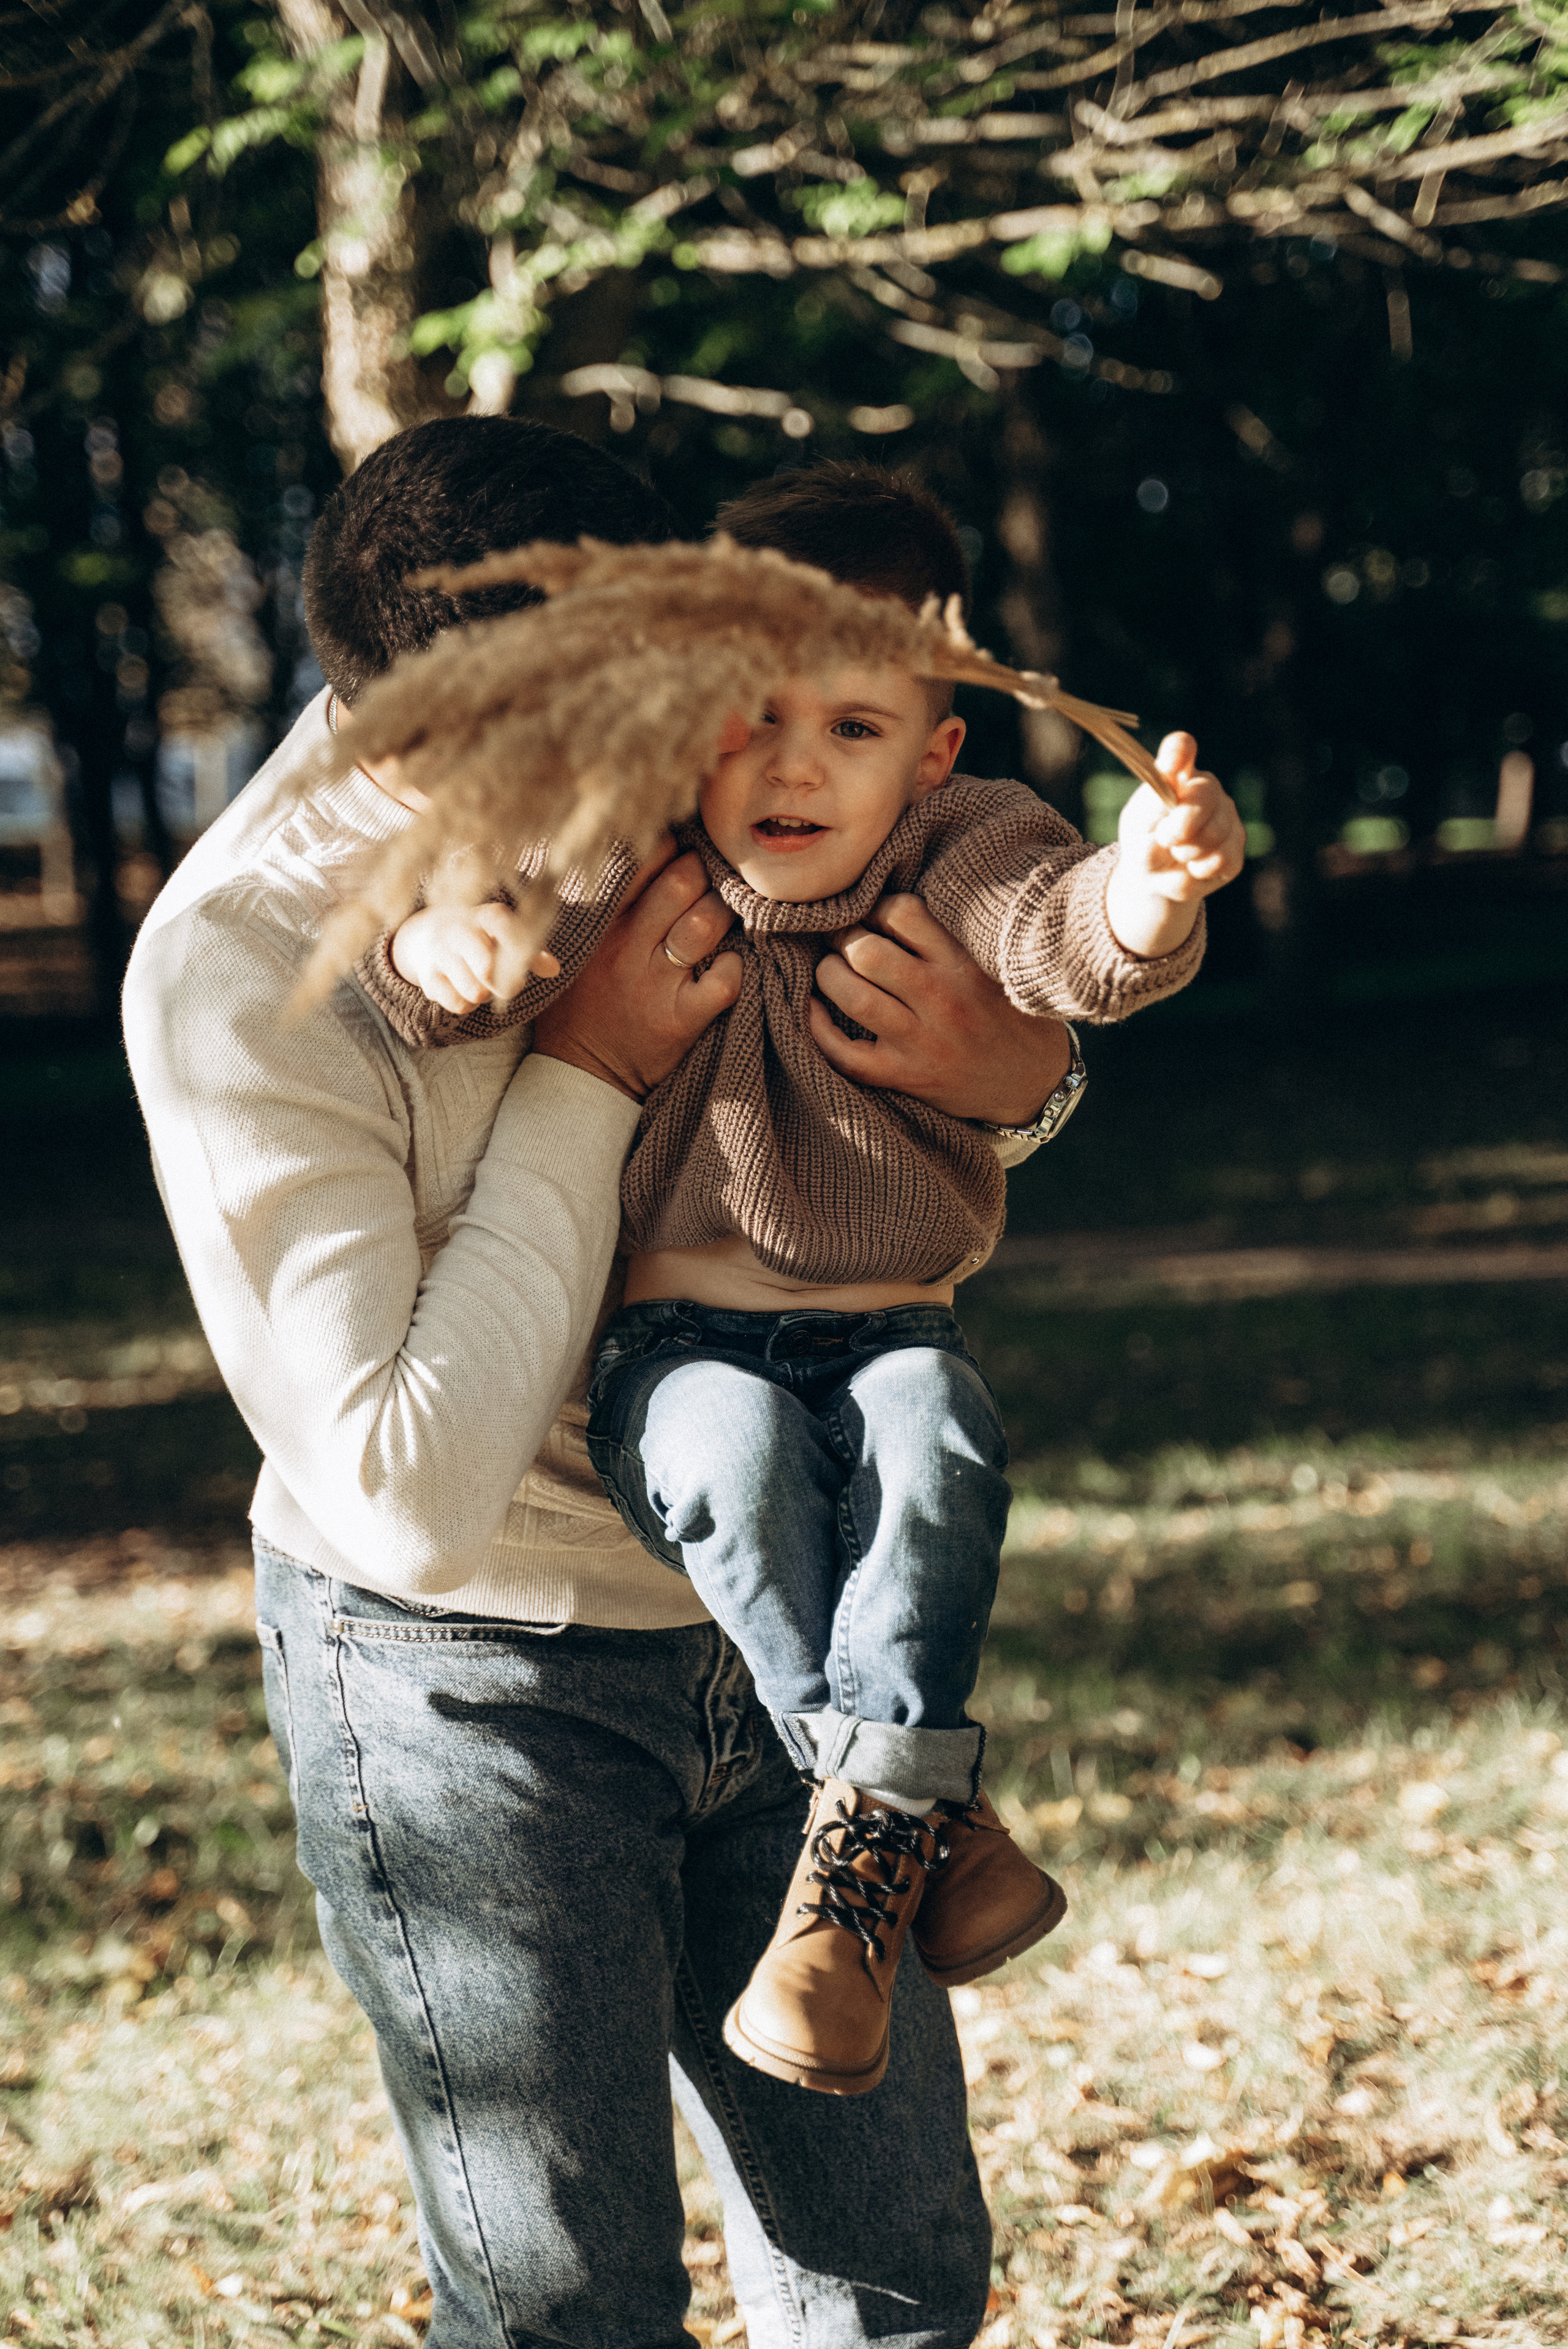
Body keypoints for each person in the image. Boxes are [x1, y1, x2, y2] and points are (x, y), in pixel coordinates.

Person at [122, 417, 1096, 2349]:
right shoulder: (235, 974)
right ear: (413, 739)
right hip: (464, 1685)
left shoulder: (695, 742)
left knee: (897, 2275)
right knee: (572, 2307)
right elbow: (407, 1484)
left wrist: (1023, 1081)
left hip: (764, 1598)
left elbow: (886, 1053)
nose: (675, 791)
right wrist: (580, 1068)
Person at [363, 464, 1245, 2101]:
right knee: (732, 1463)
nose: (790, 763)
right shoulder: (634, 846)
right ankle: (922, 1815)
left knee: (942, 1448)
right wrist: (441, 944)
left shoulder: (964, 846)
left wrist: (1154, 880)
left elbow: (1071, 938)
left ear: (934, 746)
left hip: (890, 1327)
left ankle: (862, 1861)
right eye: (747, 713)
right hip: (680, 1344)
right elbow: (489, 904)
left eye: (853, 726)